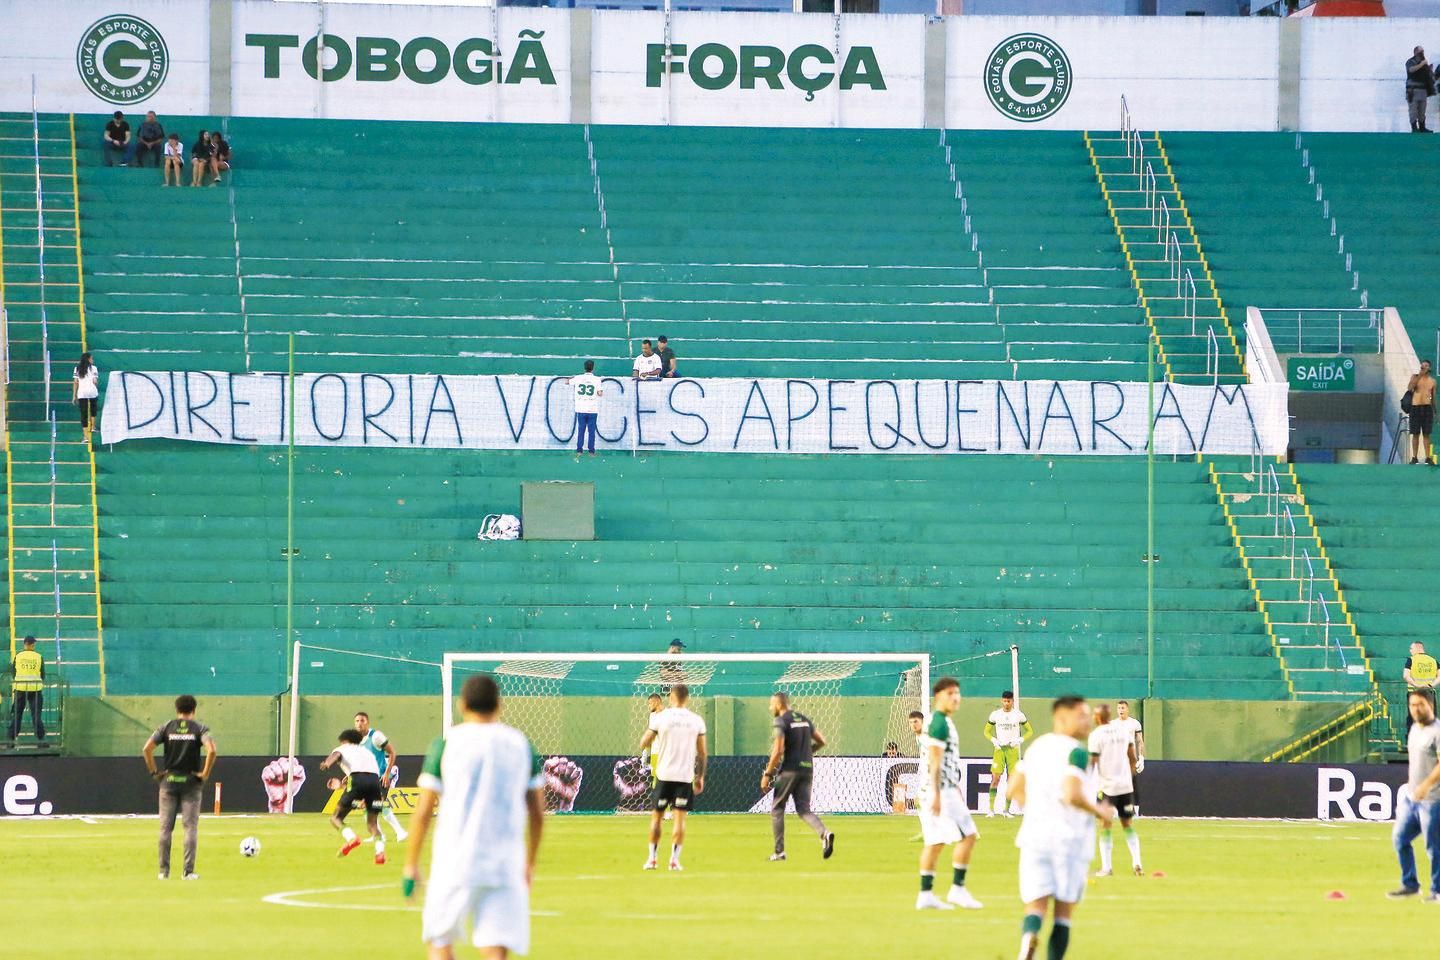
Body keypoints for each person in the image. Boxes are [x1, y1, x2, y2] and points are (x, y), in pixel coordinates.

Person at [403, 674, 545, 959]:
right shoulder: (521, 745)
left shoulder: (445, 745)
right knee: (495, 948)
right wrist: (528, 863)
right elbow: (537, 814)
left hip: (453, 861)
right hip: (505, 863)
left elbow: (422, 812)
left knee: (440, 940)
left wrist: (411, 865)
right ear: (500, 704)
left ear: (462, 704)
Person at [1007, 696, 1114, 960]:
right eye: (1081, 715)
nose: (1087, 720)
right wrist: (1100, 810)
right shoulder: (1076, 751)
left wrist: (1037, 809)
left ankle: (1028, 941)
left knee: (1035, 905)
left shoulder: (1037, 747)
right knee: (1063, 912)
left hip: (1034, 837)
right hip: (1068, 842)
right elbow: (1072, 795)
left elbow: (1013, 789)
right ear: (1061, 718)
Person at [915, 676, 982, 910]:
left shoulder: (942, 721)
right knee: (968, 836)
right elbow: (935, 759)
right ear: (938, 697)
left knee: (936, 842)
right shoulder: (939, 723)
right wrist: (937, 793)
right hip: (940, 791)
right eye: (950, 693)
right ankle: (958, 889)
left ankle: (925, 895)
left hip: (943, 789)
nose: (955, 697)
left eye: (957, 693)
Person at [142, 694, 217, 880]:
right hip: (191, 783)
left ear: (177, 710)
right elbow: (212, 750)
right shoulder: (199, 729)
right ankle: (188, 872)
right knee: (190, 827)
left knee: (165, 829)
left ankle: (163, 872)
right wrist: (205, 773)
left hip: (169, 781)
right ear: (194, 710)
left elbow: (147, 749)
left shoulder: (166, 727)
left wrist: (154, 772)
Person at [637, 684, 707, 871]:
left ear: (670, 698)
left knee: (656, 819)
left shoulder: (661, 718)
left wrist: (654, 737)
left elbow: (644, 742)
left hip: (664, 774)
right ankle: (674, 861)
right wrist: (700, 777)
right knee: (679, 820)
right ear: (687, 698)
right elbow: (702, 753)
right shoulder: (696, 720)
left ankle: (652, 859)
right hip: (684, 777)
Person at [761, 691, 835, 862]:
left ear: (779, 704)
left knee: (777, 809)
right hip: (807, 769)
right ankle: (824, 833)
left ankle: (779, 852)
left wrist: (768, 774)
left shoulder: (781, 721)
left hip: (789, 770)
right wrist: (807, 752)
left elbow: (778, 750)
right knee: (803, 810)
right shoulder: (803, 719)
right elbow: (822, 741)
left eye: (772, 704)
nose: (770, 707)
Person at [1389, 690, 1440, 901]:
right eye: (1412, 705)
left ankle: (1437, 891)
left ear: (1430, 705)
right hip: (1412, 799)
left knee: (1434, 847)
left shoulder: (1437, 731)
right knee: (1400, 839)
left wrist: (1426, 786)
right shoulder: (1414, 730)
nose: (1416, 709)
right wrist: (1413, 789)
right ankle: (1410, 884)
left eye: (1420, 704)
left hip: (1433, 800)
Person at [1087, 704, 1142, 878]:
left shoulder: (1096, 735)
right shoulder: (1123, 732)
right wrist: (1130, 778)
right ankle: (1137, 863)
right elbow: (1132, 758)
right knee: (1128, 825)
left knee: (1105, 825)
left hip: (1108, 788)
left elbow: (1093, 762)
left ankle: (1107, 867)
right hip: (1125, 787)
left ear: (1097, 718)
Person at [319, 728, 387, 863]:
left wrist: (326, 763)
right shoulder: (367, 752)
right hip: (374, 783)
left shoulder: (343, 748)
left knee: (336, 818)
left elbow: (336, 756)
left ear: (344, 740)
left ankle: (352, 838)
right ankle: (380, 853)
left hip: (357, 780)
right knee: (372, 824)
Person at [354, 711, 409, 842]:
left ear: (367, 722)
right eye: (357, 721)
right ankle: (378, 835)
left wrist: (386, 773)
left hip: (381, 777)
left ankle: (400, 832)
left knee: (378, 804)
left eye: (362, 721)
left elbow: (392, 752)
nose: (359, 724)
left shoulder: (376, 736)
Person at [984, 690, 1033, 817]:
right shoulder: (995, 715)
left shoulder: (1018, 715)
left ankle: (1006, 810)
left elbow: (1030, 731)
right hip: (999, 750)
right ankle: (990, 810)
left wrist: (1019, 740)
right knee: (995, 778)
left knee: (1011, 780)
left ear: (1012, 701)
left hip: (1012, 751)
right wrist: (994, 740)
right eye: (1004, 701)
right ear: (1002, 701)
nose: (1006, 703)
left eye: (1009, 701)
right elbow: (986, 731)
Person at [8, 636, 45, 743]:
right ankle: (41, 739)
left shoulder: (18, 656)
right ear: (32, 644)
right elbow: (43, 674)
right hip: (35, 690)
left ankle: (11, 739)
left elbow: (13, 673)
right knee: (36, 715)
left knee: (17, 715)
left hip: (20, 689)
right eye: (33, 643)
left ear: (24, 644)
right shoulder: (39, 657)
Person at [1115, 699, 1145, 809]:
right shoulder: (1113, 724)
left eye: (1123, 708)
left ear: (1127, 709)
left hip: (1130, 758)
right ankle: (1117, 809)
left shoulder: (1134, 723)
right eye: (1118, 708)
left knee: (1132, 784)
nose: (1120, 710)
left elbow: (1139, 741)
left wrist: (1141, 757)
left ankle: (1136, 811)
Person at [1404, 641, 1438, 738]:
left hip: (1414, 693)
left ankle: (1411, 741)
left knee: (1413, 716)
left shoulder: (1411, 660)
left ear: (1417, 648)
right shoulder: (1433, 660)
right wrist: (1432, 685)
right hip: (1429, 692)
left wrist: (1416, 685)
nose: (1410, 651)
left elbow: (1406, 676)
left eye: (1411, 648)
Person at [569, 359, 602, 455]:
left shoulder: (578, 378)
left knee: (581, 430)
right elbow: (600, 393)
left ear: (584, 368)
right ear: (593, 368)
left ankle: (579, 450)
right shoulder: (597, 379)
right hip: (592, 409)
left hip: (581, 408)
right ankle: (591, 451)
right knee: (591, 431)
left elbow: (568, 382)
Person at [1407, 360, 1436, 464]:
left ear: (1429, 368)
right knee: (1415, 434)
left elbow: (1433, 397)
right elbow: (1410, 388)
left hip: (1427, 408)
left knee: (1426, 434)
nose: (1424, 367)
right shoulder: (1415, 377)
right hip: (1415, 408)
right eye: (1422, 365)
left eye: (1426, 365)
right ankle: (1414, 457)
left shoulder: (1432, 381)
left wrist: (1435, 411)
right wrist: (1420, 375)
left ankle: (1428, 457)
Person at [1407, 46, 1436, 133]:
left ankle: (1422, 127)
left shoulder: (1424, 63)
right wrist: (1422, 64)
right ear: (1415, 52)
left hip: (1423, 90)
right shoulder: (1410, 61)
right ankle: (1414, 128)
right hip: (1413, 90)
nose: (1422, 53)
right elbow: (1411, 70)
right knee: (1413, 110)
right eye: (1420, 51)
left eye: (1423, 51)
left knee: (1422, 111)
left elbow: (1430, 75)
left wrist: (1430, 69)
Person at [73, 352, 99, 442]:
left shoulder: (77, 368)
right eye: (92, 358)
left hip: (82, 393)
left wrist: (74, 396)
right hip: (92, 391)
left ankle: (85, 436)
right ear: (88, 359)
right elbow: (95, 381)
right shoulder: (94, 368)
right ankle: (93, 427)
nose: (93, 360)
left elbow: (76, 382)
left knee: (83, 414)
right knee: (93, 409)